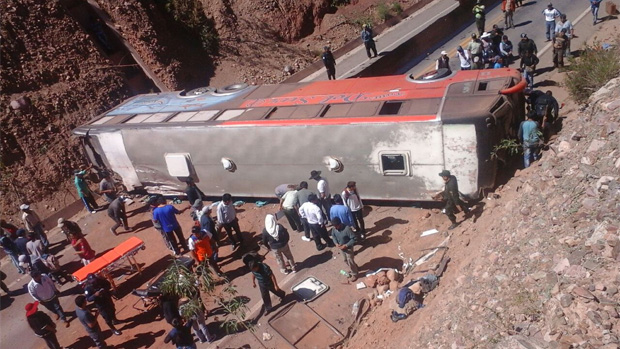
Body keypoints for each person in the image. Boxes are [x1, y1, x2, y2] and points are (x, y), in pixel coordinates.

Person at [330, 217, 359, 281]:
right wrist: (336, 243)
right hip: (341, 248)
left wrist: (346, 245)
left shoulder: (347, 229)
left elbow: (354, 239)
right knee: (345, 260)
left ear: (340, 224)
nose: (335, 227)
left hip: (348, 248)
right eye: (334, 226)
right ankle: (354, 267)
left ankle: (355, 274)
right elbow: (333, 237)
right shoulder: (334, 229)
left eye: (336, 226)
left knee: (350, 260)